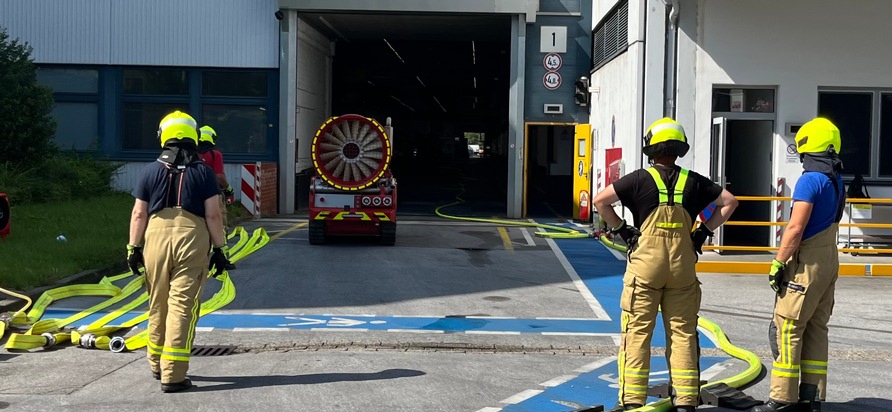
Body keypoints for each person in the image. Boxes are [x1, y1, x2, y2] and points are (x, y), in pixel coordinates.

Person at [593, 117, 738, 412]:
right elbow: (730, 202)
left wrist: (622, 230)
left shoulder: (637, 180)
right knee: (683, 331)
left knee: (638, 331)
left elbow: (601, 201)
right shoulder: (694, 181)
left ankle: (632, 401)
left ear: (651, 147)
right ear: (679, 148)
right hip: (682, 264)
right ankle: (685, 400)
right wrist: (702, 232)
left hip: (646, 264)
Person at [127, 110, 229, 393]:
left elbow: (139, 214)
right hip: (191, 238)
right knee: (183, 306)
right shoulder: (203, 172)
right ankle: (173, 374)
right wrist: (220, 249)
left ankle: (156, 363)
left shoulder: (149, 171)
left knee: (157, 302)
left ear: (164, 136)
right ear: (193, 137)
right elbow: (213, 216)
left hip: (155, 239)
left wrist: (133, 248)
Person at [749, 118, 845, 412]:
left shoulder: (809, 180)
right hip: (829, 259)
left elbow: (795, 228)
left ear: (806, 148)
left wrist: (778, 263)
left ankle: (782, 398)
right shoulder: (835, 179)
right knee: (817, 328)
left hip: (807, 263)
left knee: (787, 328)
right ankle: (811, 397)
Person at [197, 125, 235, 270]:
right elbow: (219, 176)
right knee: (220, 226)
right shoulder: (215, 155)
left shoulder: (192, 154)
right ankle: (223, 259)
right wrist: (229, 189)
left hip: (194, 196)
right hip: (213, 195)